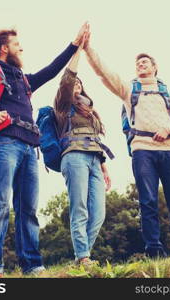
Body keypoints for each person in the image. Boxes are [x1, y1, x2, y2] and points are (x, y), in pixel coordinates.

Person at [0, 23, 89, 277]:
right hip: (4, 143)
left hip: (29, 147)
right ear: (4, 49)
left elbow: (51, 70)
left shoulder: (23, 80)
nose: (21, 47)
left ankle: (32, 266)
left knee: (28, 208)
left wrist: (74, 44)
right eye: (16, 44)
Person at [82, 31, 170, 258]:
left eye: (145, 62)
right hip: (142, 150)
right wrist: (87, 49)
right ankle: (154, 250)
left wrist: (169, 128)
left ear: (155, 67)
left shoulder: (168, 93)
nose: (140, 65)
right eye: (137, 63)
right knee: (148, 201)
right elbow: (104, 73)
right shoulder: (129, 90)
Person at [54, 34, 112, 266]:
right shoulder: (62, 105)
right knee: (80, 208)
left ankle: (80, 258)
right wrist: (78, 50)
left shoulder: (90, 110)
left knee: (98, 213)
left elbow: (96, 139)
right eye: (74, 83)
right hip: (74, 156)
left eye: (80, 83)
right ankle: (84, 257)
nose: (76, 84)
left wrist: (105, 166)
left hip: (95, 159)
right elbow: (68, 80)